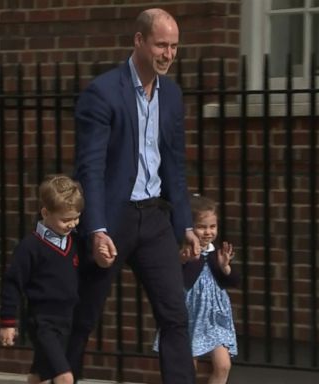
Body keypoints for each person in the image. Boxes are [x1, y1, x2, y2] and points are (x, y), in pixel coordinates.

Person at [67, 8, 200, 384]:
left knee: (175, 314)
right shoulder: (103, 93)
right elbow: (90, 168)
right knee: (83, 315)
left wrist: (185, 223)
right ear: (139, 41)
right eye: (161, 44)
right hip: (114, 218)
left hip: (155, 217)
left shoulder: (171, 95)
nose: (168, 54)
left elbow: (174, 164)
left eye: (174, 46)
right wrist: (96, 230)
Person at [0, 174, 84, 384]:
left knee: (40, 374)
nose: (72, 223)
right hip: (42, 321)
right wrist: (8, 322)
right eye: (66, 219)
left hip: (66, 320)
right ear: (45, 212)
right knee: (64, 376)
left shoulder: (75, 243)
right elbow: (12, 283)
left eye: (76, 217)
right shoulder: (30, 247)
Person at [173, 194, 239, 384]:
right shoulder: (184, 252)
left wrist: (226, 267)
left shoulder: (216, 251)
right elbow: (183, 281)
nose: (208, 232)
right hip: (191, 313)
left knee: (223, 365)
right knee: (188, 368)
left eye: (212, 226)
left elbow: (232, 281)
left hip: (216, 316)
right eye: (201, 227)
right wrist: (187, 260)